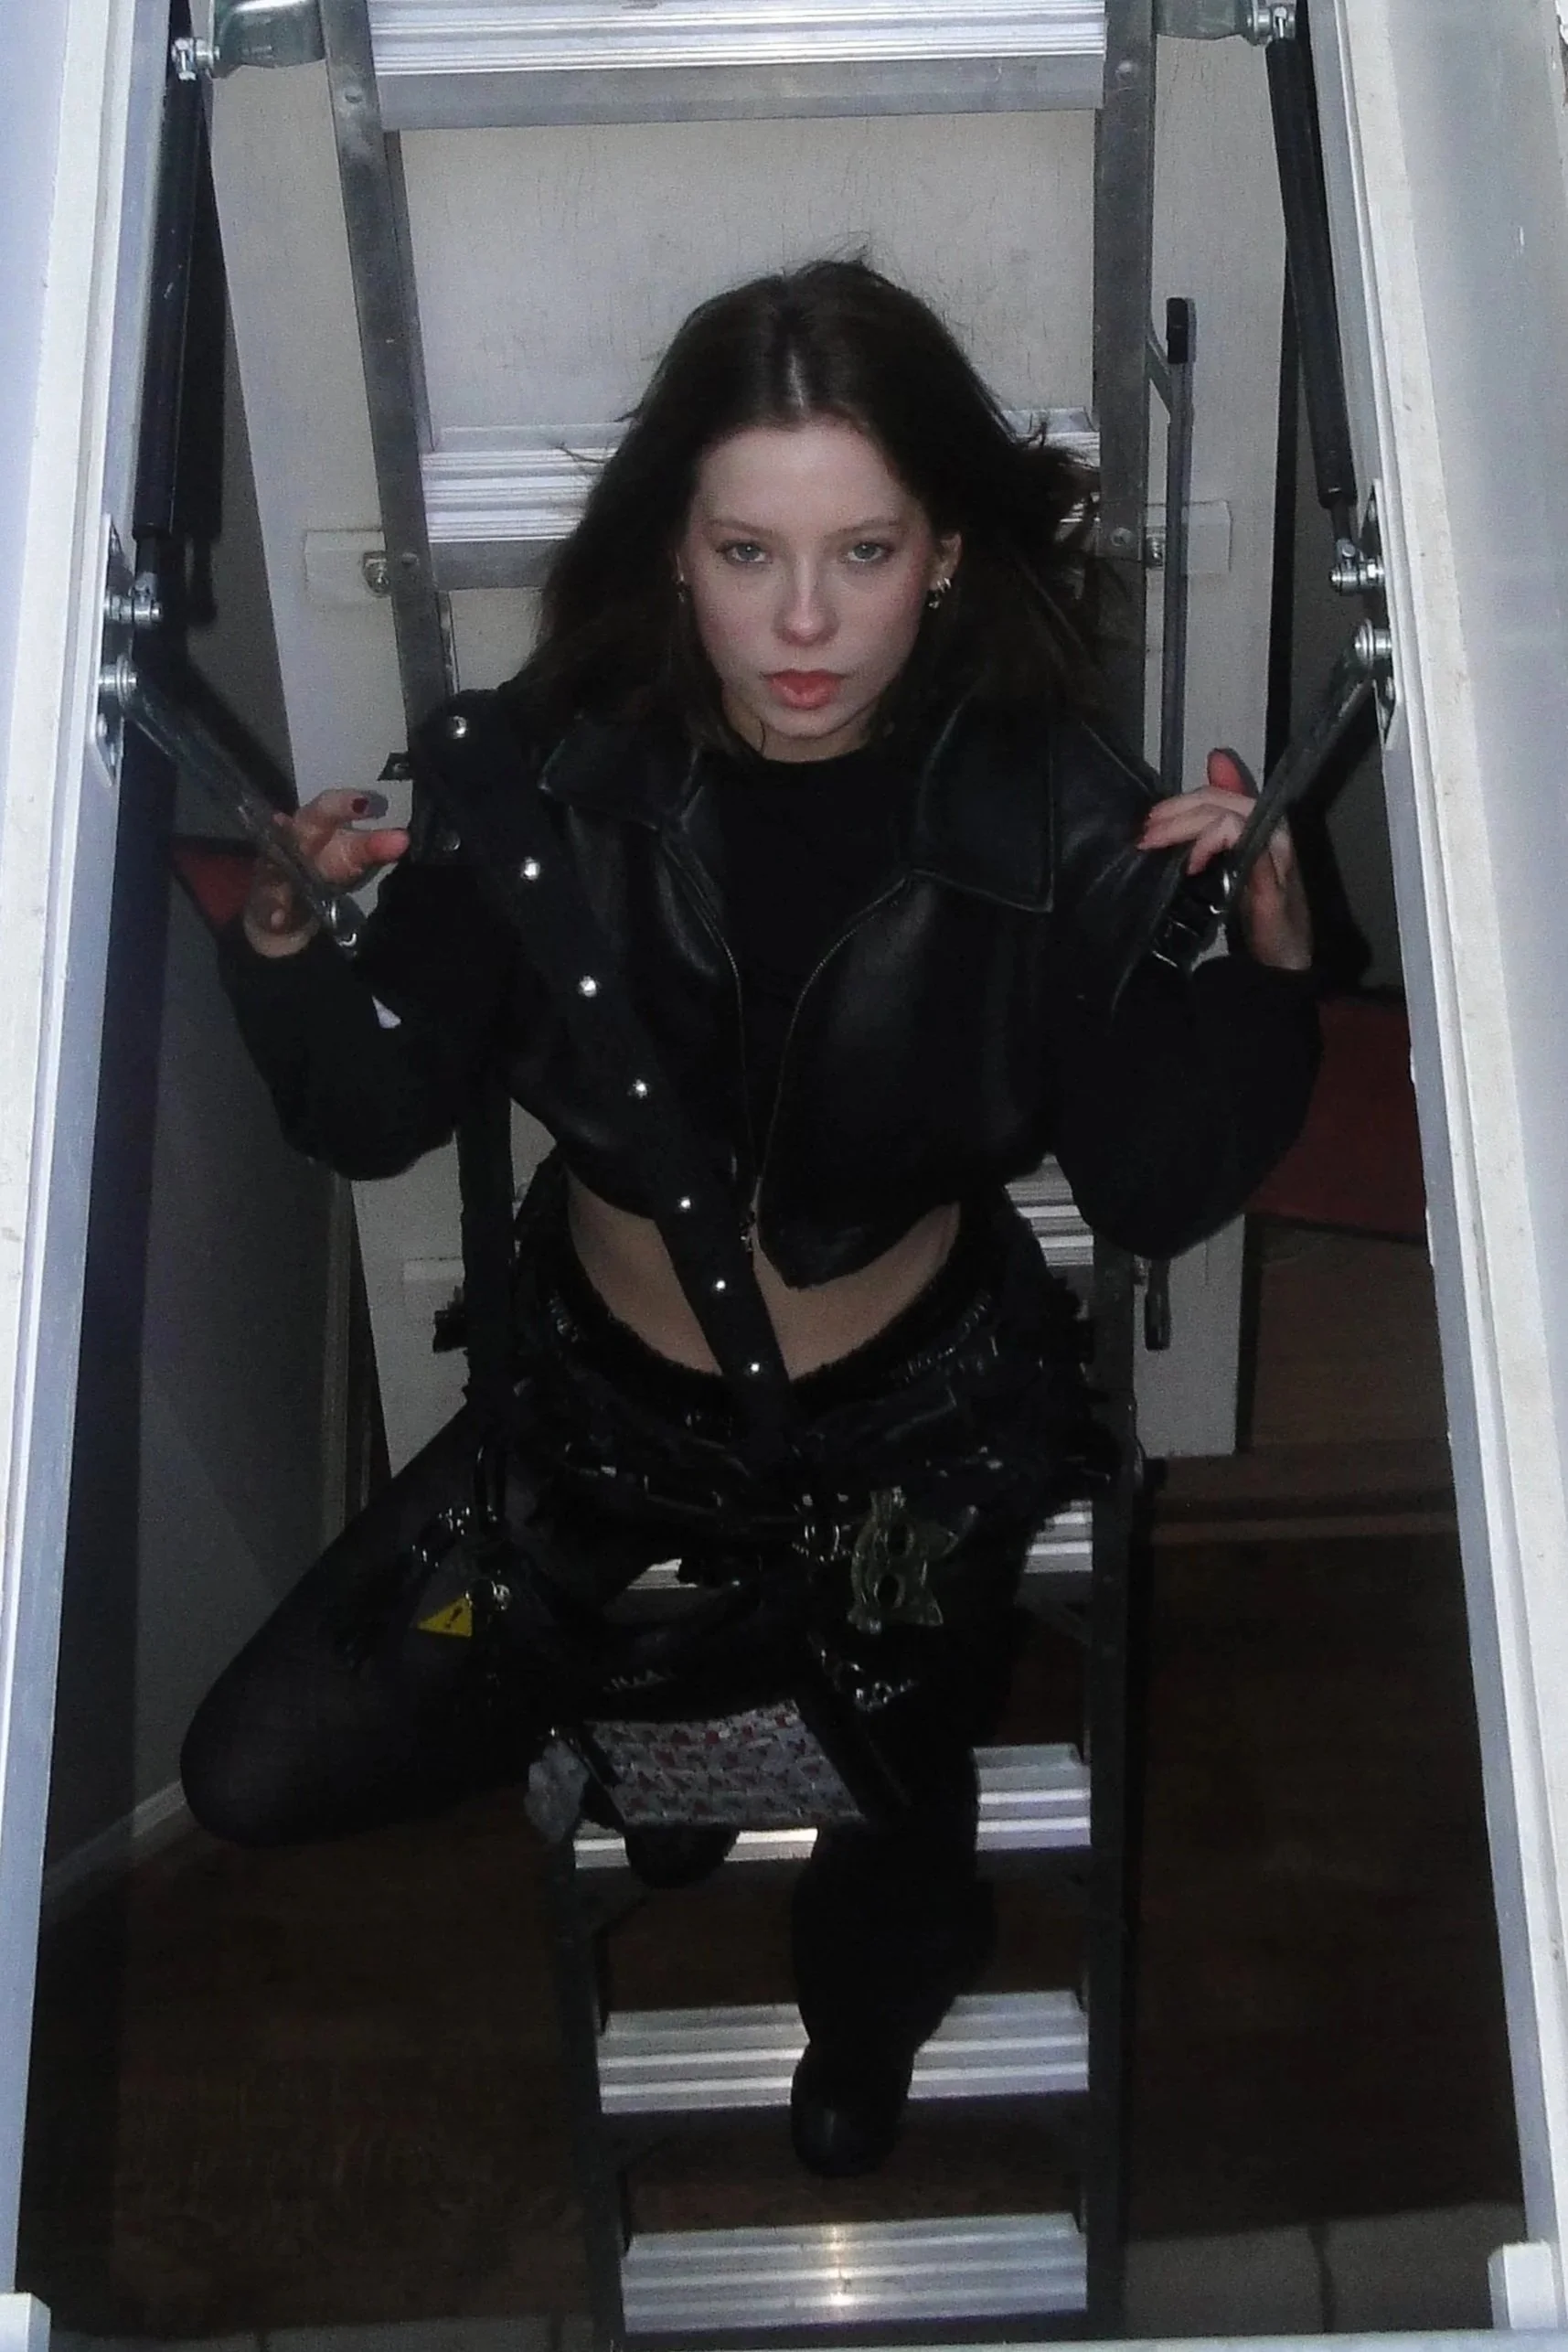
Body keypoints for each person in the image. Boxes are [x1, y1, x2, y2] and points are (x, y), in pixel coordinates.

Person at [184, 258, 1318, 2179]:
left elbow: (1150, 1181)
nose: (801, 621)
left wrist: (1264, 975)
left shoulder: (1052, 810)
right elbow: (372, 1112)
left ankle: (867, 2003)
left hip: (904, 1440)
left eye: (861, 551)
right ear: (673, 548)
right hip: (594, 1411)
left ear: (941, 555)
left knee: (896, 1788)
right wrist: (292, 945)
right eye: (745, 551)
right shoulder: (540, 769)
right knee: (260, 1765)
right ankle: (680, 1735)